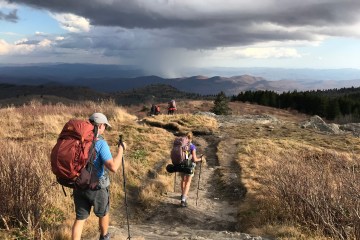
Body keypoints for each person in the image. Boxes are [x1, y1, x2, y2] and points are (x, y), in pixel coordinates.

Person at [71, 112, 127, 240]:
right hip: (96, 187)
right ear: (100, 126)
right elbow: (113, 167)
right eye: (105, 126)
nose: (105, 129)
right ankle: (104, 236)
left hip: (79, 185)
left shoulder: (78, 140)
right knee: (103, 213)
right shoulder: (101, 143)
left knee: (80, 219)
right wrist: (121, 150)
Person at [179, 132, 203, 207]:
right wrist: (201, 159)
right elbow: (194, 159)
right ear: (191, 138)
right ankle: (183, 200)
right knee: (188, 182)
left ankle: (183, 195)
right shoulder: (192, 147)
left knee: (183, 180)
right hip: (189, 166)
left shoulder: (181, 146)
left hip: (182, 165)